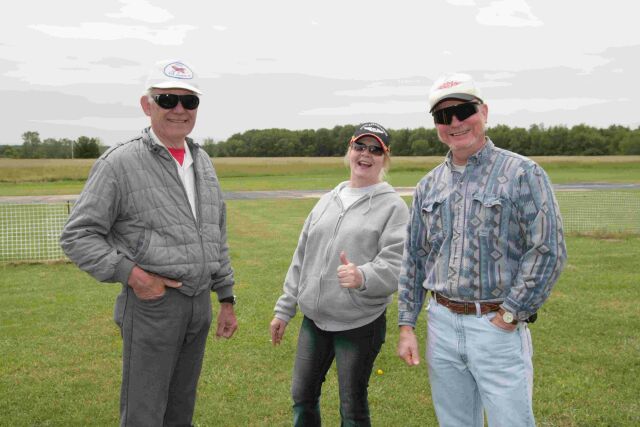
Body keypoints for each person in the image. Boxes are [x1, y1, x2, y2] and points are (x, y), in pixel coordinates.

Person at [60, 59, 238, 426]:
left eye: (189, 102)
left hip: (198, 305)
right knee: (144, 413)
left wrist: (226, 298)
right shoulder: (119, 163)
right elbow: (78, 235)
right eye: (167, 99)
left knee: (180, 410)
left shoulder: (202, 161)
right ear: (147, 105)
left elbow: (215, 233)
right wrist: (134, 276)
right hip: (152, 306)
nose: (179, 110)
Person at [396, 73, 567, 426]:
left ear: (484, 111)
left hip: (496, 326)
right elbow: (414, 258)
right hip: (441, 324)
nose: (455, 122)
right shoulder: (428, 185)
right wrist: (407, 325)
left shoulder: (523, 173)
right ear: (437, 126)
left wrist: (509, 314)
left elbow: (547, 249)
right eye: (444, 116)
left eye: (463, 110)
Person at [270, 122, 409, 426]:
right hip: (315, 320)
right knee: (302, 396)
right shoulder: (327, 201)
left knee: (352, 406)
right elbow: (302, 257)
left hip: (359, 323)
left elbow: (398, 264)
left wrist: (363, 276)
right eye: (360, 147)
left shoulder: (393, 207)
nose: (366, 155)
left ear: (385, 159)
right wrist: (284, 309)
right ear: (349, 150)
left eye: (376, 150)